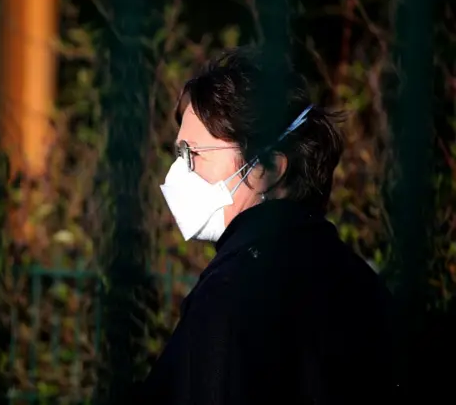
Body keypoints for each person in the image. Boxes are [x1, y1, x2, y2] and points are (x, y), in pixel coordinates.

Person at [140, 47, 396, 404]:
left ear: (268, 169)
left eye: (192, 154)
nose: (178, 172)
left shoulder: (231, 291)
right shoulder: (359, 280)